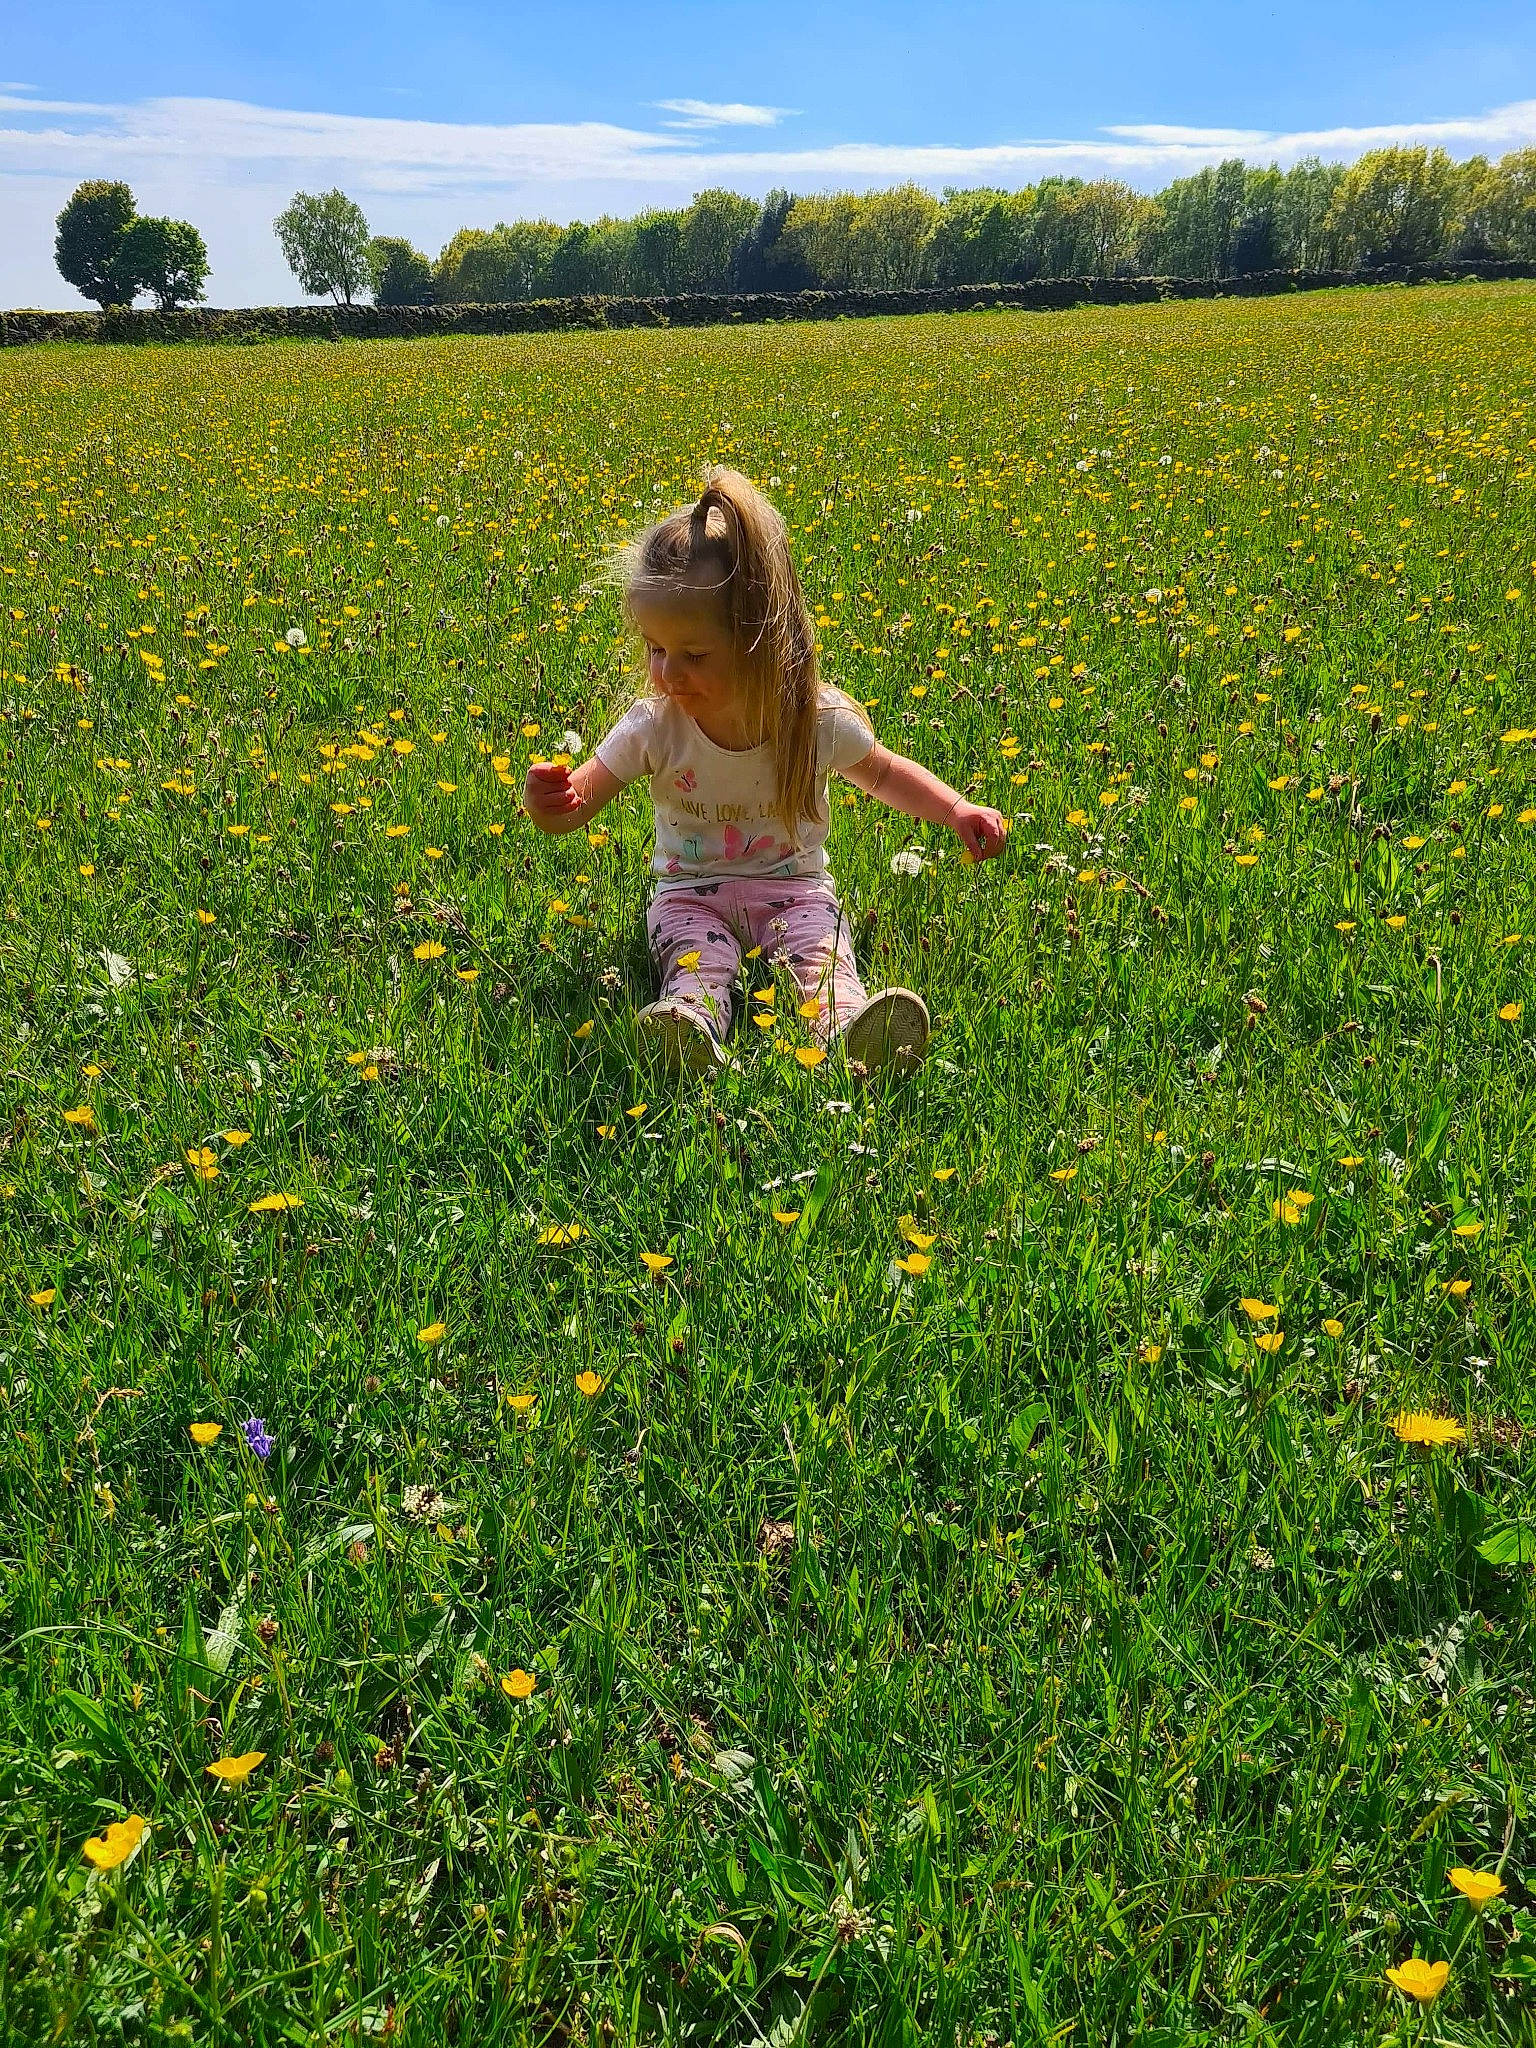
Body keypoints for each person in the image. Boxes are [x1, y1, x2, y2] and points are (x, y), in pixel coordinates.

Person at [523, 467, 1007, 1076]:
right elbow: (583, 798)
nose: (668, 673)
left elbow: (883, 774)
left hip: (794, 889)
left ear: (759, 640)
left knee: (819, 957)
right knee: (698, 960)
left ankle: (853, 1030)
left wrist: (954, 808)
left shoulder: (811, 721)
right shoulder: (654, 727)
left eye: (694, 655)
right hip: (688, 897)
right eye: (655, 649)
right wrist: (553, 802)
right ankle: (687, 1030)